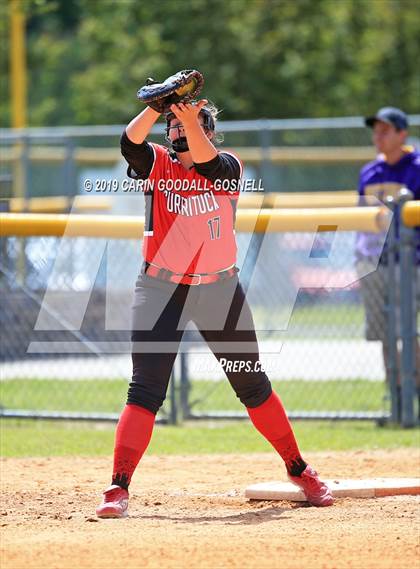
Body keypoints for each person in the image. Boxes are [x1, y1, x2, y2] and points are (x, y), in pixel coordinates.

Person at [96, 96, 333, 518]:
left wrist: (192, 126)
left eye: (190, 123)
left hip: (219, 292)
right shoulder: (156, 163)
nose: (179, 129)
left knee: (252, 384)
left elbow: (209, 165)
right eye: (174, 125)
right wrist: (156, 105)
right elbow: (129, 141)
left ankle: (299, 468)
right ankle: (118, 486)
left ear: (209, 132)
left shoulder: (228, 166)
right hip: (160, 291)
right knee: (145, 390)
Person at [355, 106, 420, 419]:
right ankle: (395, 398)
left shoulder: (417, 166)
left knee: (409, 330)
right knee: (384, 333)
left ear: (402, 133)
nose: (378, 135)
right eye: (376, 129)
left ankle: (414, 395)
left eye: (385, 130)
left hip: (412, 261)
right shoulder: (369, 172)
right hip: (375, 262)